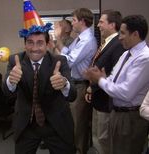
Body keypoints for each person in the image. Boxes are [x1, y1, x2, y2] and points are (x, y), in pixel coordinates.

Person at [3, 1, 76, 153]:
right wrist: (11, 81)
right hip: (27, 123)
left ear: (48, 44)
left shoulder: (59, 61)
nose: (34, 48)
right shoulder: (16, 60)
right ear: (25, 44)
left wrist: (64, 84)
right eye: (30, 42)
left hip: (56, 123)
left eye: (40, 43)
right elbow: (7, 93)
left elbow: (73, 95)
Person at [84, 15, 149, 154]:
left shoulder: (145, 58)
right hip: (116, 112)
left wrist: (100, 80)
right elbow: (113, 79)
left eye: (123, 33)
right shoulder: (126, 54)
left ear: (136, 34)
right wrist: (102, 78)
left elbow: (126, 92)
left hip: (130, 117)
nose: (119, 37)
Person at [85, 10, 125, 154]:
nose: (98, 25)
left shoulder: (117, 45)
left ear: (112, 24)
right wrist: (91, 87)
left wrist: (94, 86)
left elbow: (113, 74)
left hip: (106, 100)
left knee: (103, 139)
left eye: (101, 22)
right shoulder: (106, 43)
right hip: (98, 97)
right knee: (97, 137)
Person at [59, 8, 97, 154]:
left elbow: (69, 61)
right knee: (71, 123)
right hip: (73, 84)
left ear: (82, 21)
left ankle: (80, 151)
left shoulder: (87, 40)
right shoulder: (79, 38)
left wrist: (59, 45)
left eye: (74, 20)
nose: (72, 23)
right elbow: (69, 54)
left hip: (81, 85)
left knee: (78, 124)